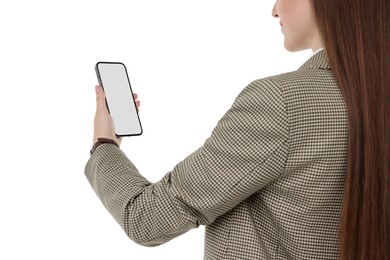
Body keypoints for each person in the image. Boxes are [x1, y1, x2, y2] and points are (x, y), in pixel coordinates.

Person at [85, 0, 389, 259]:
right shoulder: (377, 101)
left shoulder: (279, 102)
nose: (273, 10)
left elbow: (147, 218)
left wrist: (104, 144)